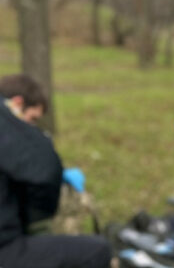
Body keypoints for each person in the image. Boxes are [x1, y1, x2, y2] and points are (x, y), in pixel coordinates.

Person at [0, 74, 112, 268]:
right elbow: (45, 168)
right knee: (98, 250)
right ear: (16, 105)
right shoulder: (7, 124)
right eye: (32, 119)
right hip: (5, 248)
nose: (31, 127)